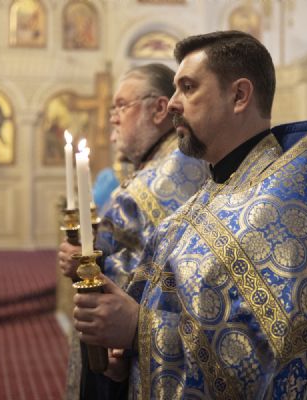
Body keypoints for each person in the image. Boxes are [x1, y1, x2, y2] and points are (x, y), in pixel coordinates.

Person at [72, 31, 307, 399]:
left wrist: (138, 329)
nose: (172, 103)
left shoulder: (279, 209)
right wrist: (129, 354)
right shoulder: (217, 188)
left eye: (188, 88)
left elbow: (257, 360)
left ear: (239, 96)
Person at [59, 63, 209, 399]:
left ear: (159, 109)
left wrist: (86, 262)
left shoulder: (159, 180)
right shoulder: (171, 163)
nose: (113, 118)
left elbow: (135, 278)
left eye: (121, 106)